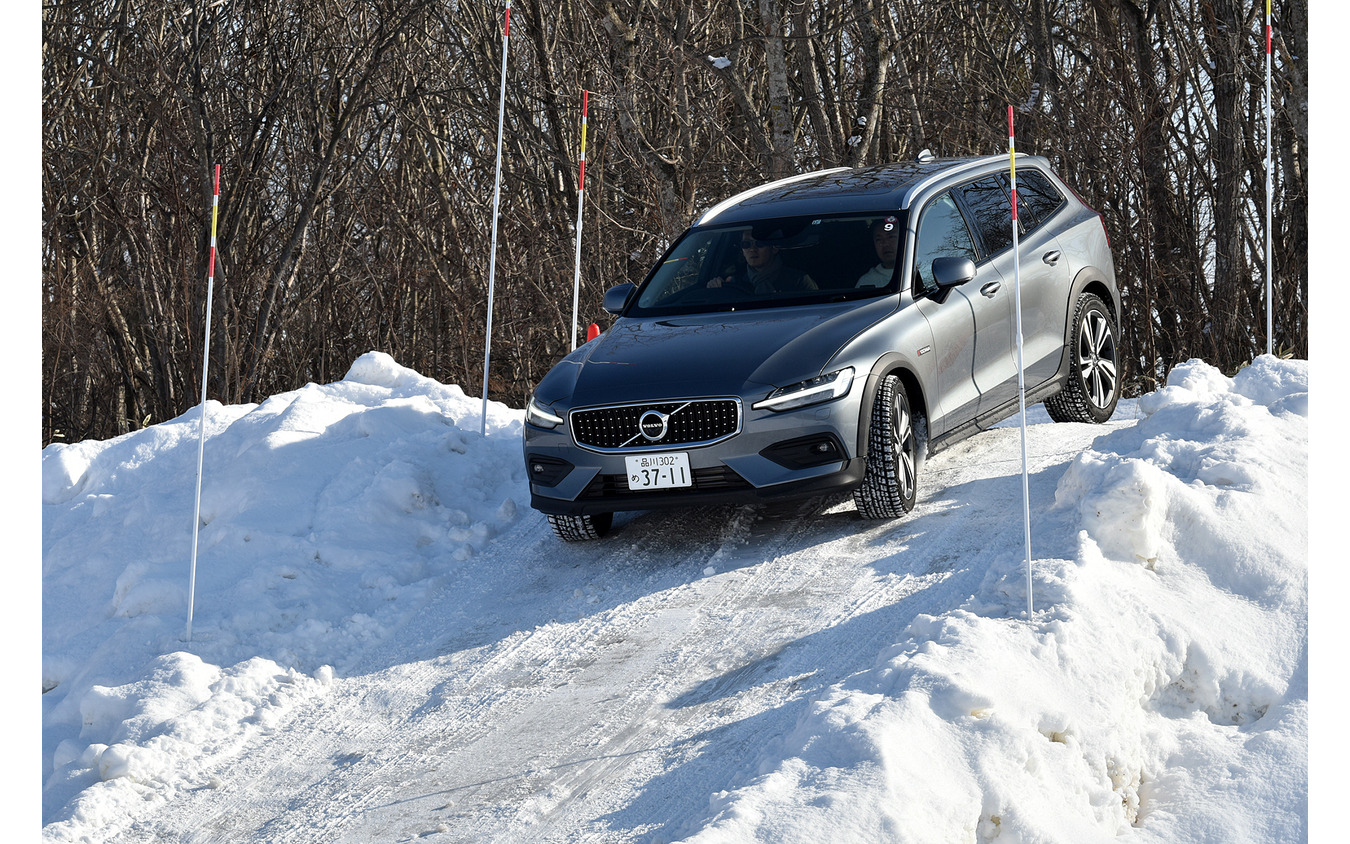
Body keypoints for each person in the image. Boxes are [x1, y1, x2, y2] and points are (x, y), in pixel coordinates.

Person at [709, 232, 817, 294]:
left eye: (759, 243)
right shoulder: (733, 282)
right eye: (746, 244)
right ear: (742, 250)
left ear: (774, 248)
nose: (752, 249)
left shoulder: (798, 281)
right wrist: (714, 288)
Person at [856, 216, 901, 288]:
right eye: (879, 239)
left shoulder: (919, 271)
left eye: (891, 237)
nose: (885, 244)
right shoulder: (867, 282)